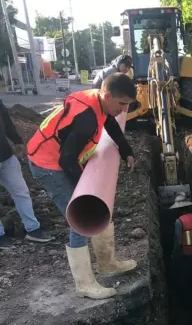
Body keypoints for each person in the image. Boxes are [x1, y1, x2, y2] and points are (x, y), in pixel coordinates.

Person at [26, 73, 137, 299]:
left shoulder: (99, 104)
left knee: (98, 208)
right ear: (107, 95)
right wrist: (89, 193)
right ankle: (84, 284)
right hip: (47, 164)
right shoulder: (86, 116)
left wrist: (126, 151)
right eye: (122, 104)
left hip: (61, 159)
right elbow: (66, 160)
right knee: (80, 218)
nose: (125, 110)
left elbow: (111, 125)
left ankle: (107, 263)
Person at [0, 100, 52, 250]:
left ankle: (32, 229)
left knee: (21, 192)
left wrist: (16, 140)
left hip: (6, 156)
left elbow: (6, 120)